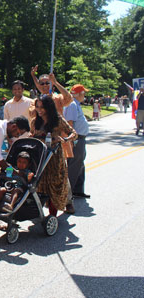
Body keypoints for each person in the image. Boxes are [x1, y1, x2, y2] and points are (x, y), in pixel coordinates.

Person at [30, 95, 77, 217]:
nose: (39, 110)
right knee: (40, 185)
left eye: (42, 107)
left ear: (49, 107)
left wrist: (64, 139)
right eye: (38, 107)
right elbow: (32, 135)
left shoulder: (58, 120)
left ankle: (53, 214)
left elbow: (73, 133)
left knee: (55, 185)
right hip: (40, 157)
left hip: (55, 157)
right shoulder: (35, 122)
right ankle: (38, 212)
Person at [64, 84, 91, 214]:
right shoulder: (72, 105)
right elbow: (70, 124)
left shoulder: (76, 104)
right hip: (76, 139)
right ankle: (67, 195)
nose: (84, 96)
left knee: (80, 165)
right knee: (74, 166)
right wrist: (72, 140)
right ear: (78, 94)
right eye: (83, 93)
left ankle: (78, 190)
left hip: (80, 138)